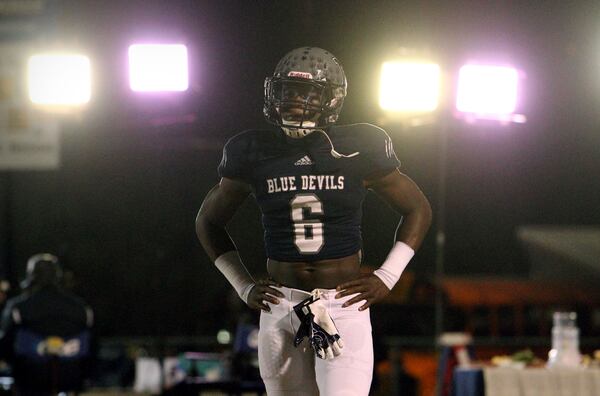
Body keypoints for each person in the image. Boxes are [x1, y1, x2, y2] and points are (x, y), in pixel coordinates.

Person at [196, 47, 432, 396]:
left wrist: (387, 276)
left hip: (342, 304)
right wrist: (242, 285)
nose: (294, 101)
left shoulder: (359, 145)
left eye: (306, 93)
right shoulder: (252, 149)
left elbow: (418, 209)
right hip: (280, 304)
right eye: (287, 91)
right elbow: (208, 222)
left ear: (332, 99)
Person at [0, 253, 94, 395]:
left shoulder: (18, 307)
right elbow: (93, 348)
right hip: (71, 380)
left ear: (31, 277)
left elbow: (5, 347)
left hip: (29, 380)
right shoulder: (81, 308)